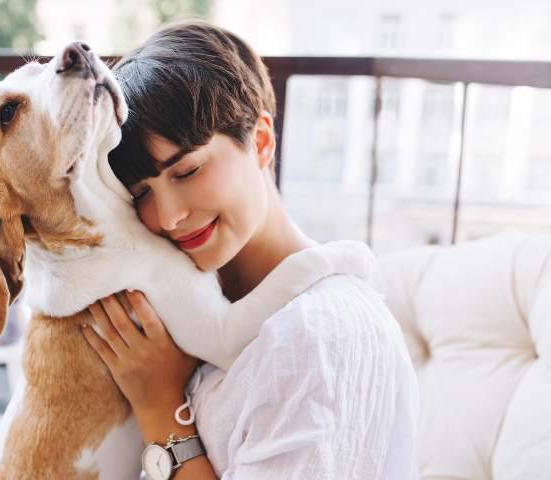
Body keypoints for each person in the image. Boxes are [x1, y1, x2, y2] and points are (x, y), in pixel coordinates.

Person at [80, 20, 419, 479]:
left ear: (260, 140)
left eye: (187, 172)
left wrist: (161, 406)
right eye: (142, 193)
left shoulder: (313, 338)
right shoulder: (185, 301)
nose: (169, 216)